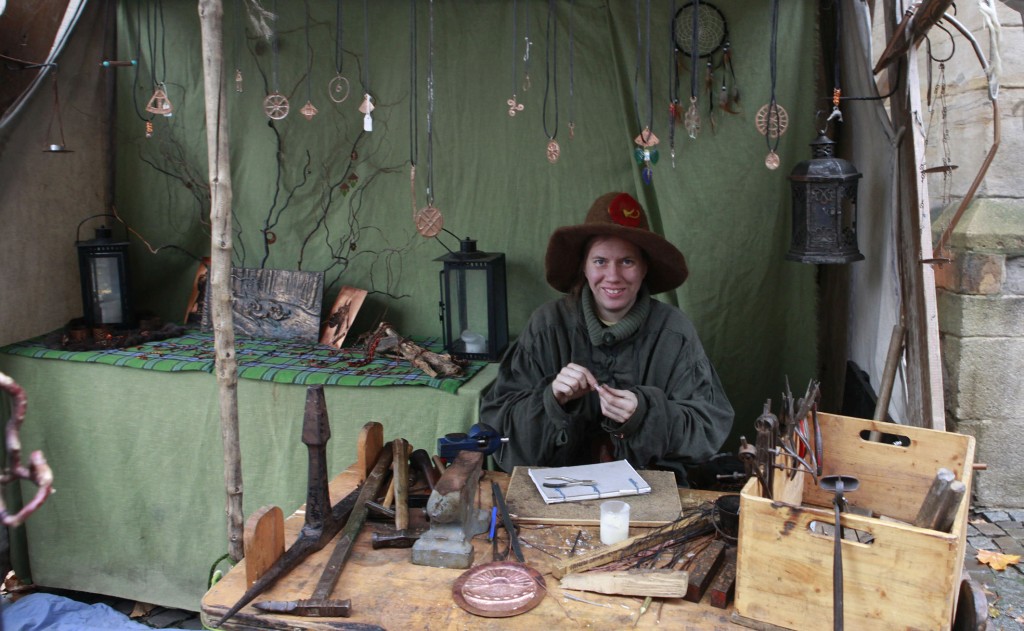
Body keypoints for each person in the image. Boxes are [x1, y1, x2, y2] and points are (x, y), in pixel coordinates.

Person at [480, 192, 733, 487]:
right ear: (584, 267)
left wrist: (646, 413)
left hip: (651, 489)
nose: (613, 276)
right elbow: (499, 430)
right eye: (600, 261)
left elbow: (706, 429)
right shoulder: (547, 325)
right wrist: (552, 400)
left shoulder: (675, 332)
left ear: (645, 268)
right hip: (557, 487)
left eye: (627, 261)